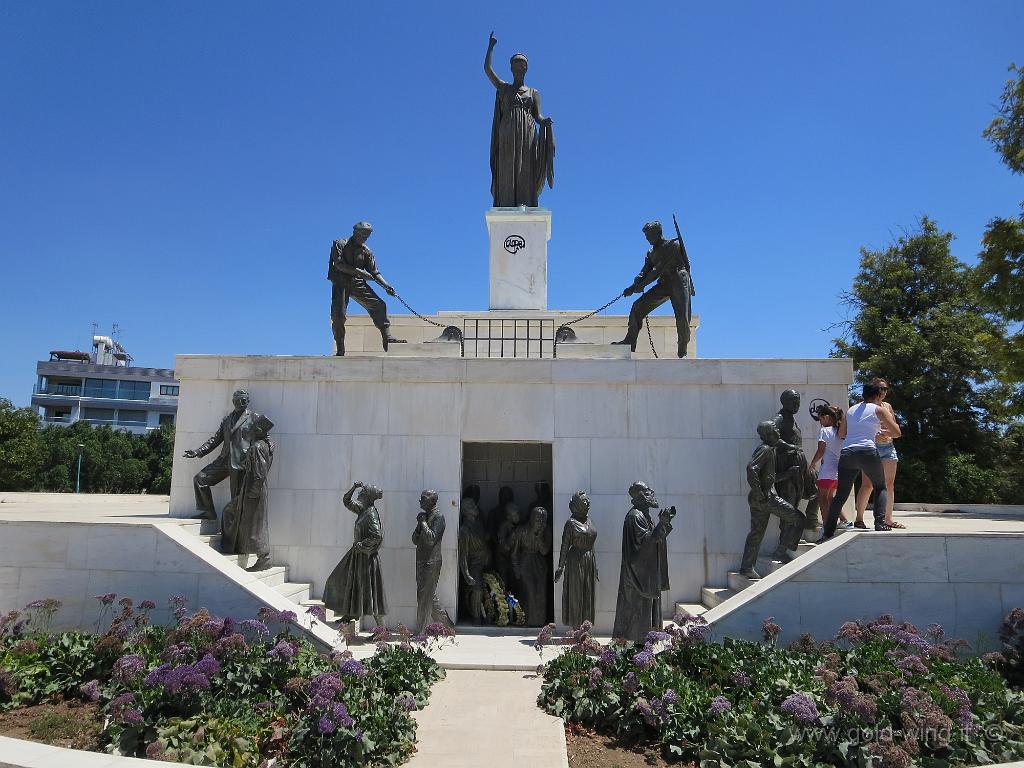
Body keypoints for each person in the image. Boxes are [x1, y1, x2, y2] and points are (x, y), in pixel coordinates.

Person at [821, 381, 903, 539]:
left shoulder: (851, 410)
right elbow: (897, 432)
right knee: (880, 486)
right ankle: (880, 523)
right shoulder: (879, 409)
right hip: (867, 452)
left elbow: (841, 434)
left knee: (841, 495)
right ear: (878, 395)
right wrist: (881, 431)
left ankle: (828, 531)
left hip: (847, 453)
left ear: (862, 395)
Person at [484, 31, 554, 207]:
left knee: (525, 167)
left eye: (522, 65)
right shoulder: (504, 88)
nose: (519, 68)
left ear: (526, 68)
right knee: (507, 166)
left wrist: (544, 121)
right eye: (516, 65)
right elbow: (488, 70)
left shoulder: (534, 93)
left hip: (527, 133)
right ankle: (506, 202)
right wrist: (491, 47)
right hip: (507, 132)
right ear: (511, 68)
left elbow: (538, 116)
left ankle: (524, 201)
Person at [612, 221, 694, 358]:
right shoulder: (651, 253)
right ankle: (630, 341)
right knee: (637, 307)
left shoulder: (672, 246)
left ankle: (682, 349)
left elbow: (657, 270)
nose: (647, 238)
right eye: (646, 235)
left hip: (679, 280)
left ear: (658, 233)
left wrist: (642, 285)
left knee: (682, 316)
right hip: (665, 283)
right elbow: (645, 271)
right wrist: (633, 286)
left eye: (649, 235)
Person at [738, 421, 807, 579]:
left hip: (759, 498)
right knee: (799, 519)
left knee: (756, 533)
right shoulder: (766, 449)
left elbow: (768, 477)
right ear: (768, 434)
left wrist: (788, 474)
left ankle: (747, 567)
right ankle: (781, 551)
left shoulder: (771, 449)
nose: (778, 431)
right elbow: (751, 468)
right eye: (775, 429)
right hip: (767, 498)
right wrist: (760, 492)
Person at [327, 221, 405, 356]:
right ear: (355, 231)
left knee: (379, 305)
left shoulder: (367, 251)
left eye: (366, 236)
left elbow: (374, 272)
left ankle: (387, 338)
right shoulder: (340, 244)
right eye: (362, 234)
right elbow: (339, 265)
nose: (364, 238)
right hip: (341, 282)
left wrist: (386, 285)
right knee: (338, 316)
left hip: (357, 283)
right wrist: (361, 273)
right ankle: (340, 347)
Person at [612, 481, 675, 643]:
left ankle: (644, 648)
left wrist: (664, 524)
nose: (652, 493)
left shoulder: (645, 515)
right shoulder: (635, 516)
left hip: (646, 576)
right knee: (636, 614)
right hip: (637, 579)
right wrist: (661, 524)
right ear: (640, 495)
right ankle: (634, 650)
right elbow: (643, 545)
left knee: (645, 614)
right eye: (648, 491)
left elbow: (653, 540)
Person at [182, 389, 258, 524]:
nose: (242, 403)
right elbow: (215, 439)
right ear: (234, 401)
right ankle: (209, 512)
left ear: (248, 401)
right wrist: (198, 451)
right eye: (239, 400)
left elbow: (263, 436)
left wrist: (268, 445)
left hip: (241, 462)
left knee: (236, 496)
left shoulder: (254, 417)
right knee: (200, 479)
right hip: (223, 460)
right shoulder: (227, 420)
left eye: (244, 400)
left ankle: (235, 525)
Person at [322, 482, 388, 629]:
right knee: (344, 581)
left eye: (362, 491)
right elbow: (346, 501)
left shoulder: (371, 514)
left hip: (367, 559)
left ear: (367, 496)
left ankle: (382, 630)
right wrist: (353, 487)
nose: (359, 493)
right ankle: (350, 613)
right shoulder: (363, 509)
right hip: (357, 557)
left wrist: (361, 546)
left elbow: (377, 536)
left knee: (372, 593)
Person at [221, 414, 275, 571]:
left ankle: (263, 558)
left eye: (252, 429)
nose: (249, 430)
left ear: (258, 430)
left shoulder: (257, 447)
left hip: (254, 489)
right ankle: (238, 546)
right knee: (238, 516)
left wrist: (253, 492)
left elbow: (259, 472)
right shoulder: (266, 444)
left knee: (254, 525)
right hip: (255, 488)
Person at [854, 377, 903, 529]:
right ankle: (859, 519)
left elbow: (894, 426)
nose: (882, 392)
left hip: (888, 447)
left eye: (885, 389)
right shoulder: (864, 407)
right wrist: (875, 434)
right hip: (871, 447)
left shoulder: (887, 406)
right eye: (880, 389)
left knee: (889, 484)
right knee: (867, 484)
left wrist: (886, 432)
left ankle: (888, 518)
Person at [411, 489, 454, 634]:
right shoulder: (425, 516)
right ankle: (447, 626)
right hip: (421, 560)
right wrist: (420, 524)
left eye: (422, 498)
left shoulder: (438, 517)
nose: (419, 501)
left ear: (431, 501)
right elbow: (415, 540)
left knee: (424, 597)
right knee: (427, 596)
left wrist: (423, 523)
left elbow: (431, 539)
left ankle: (420, 632)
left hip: (432, 561)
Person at [554, 491, 598, 630]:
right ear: (577, 504)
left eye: (588, 501)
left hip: (589, 560)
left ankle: (586, 629)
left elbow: (592, 545)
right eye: (585, 501)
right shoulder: (571, 523)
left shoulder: (589, 521)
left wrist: (595, 566)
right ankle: (576, 629)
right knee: (576, 594)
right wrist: (560, 567)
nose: (588, 503)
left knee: (588, 594)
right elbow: (565, 546)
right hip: (576, 561)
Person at [808, 404, 850, 531]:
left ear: (826, 417)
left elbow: (821, 450)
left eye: (820, 419)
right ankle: (844, 521)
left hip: (826, 471)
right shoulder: (840, 431)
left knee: (822, 499)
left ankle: (827, 525)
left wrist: (812, 463)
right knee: (830, 497)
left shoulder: (824, 431)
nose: (820, 422)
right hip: (838, 471)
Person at [512, 506, 551, 626]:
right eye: (537, 520)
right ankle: (526, 620)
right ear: (531, 519)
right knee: (529, 591)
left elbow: (544, 551)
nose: (540, 523)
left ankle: (539, 621)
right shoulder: (521, 531)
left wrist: (538, 536)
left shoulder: (546, 530)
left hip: (539, 564)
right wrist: (516, 569)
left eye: (542, 521)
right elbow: (514, 553)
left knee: (540, 592)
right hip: (525, 563)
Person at [458, 496, 491, 625]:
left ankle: (489, 615)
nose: (475, 508)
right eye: (471, 506)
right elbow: (463, 555)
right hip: (475, 563)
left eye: (474, 505)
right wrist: (466, 574)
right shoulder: (464, 530)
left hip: (487, 559)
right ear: (465, 511)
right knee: (477, 590)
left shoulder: (479, 523)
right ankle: (476, 617)